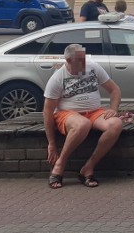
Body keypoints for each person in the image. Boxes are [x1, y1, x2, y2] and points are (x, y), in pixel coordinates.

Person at [43, 44, 123, 189]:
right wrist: (51, 143)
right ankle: (60, 164)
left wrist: (113, 108)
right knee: (82, 124)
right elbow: (47, 111)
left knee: (115, 124)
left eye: (84, 58)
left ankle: (88, 167)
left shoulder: (94, 67)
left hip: (94, 111)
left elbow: (115, 89)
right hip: (68, 114)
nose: (84, 63)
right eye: (79, 60)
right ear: (68, 60)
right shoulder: (57, 78)